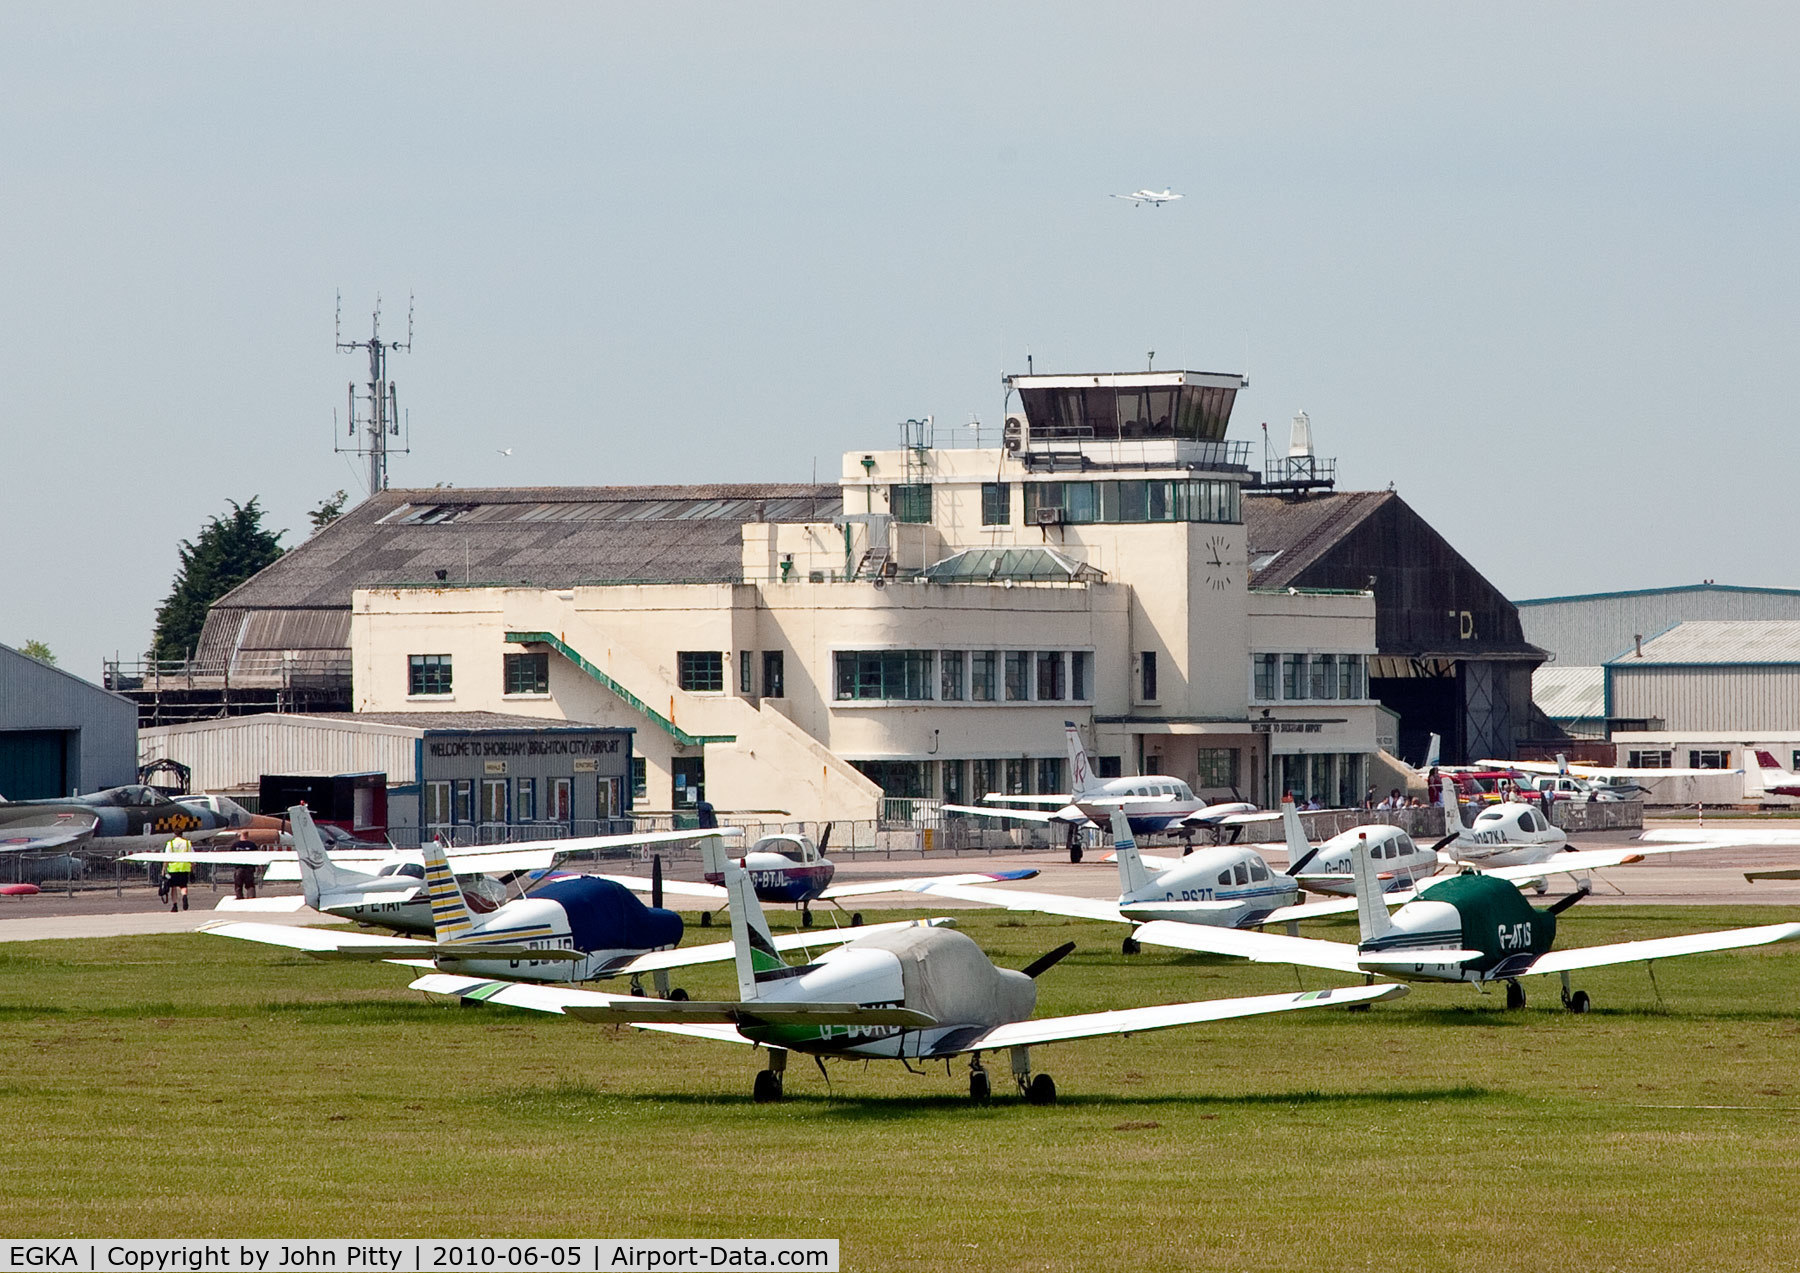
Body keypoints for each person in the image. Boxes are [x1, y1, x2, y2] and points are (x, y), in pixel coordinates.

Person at [165, 832, 193, 912]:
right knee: (183, 886)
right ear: (182, 834)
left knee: (173, 887)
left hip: (173, 868)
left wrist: (164, 869)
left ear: (175, 835)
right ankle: (184, 895)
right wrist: (192, 868)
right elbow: (192, 855)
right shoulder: (187, 843)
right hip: (184, 867)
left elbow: (166, 857)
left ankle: (175, 905)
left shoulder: (170, 844)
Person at [231, 829, 257, 900]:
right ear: (248, 835)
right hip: (249, 868)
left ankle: (239, 898)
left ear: (240, 835)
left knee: (238, 886)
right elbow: (257, 856)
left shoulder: (235, 845)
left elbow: (231, 856)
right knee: (250, 885)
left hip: (239, 868)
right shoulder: (252, 845)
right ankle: (251, 898)